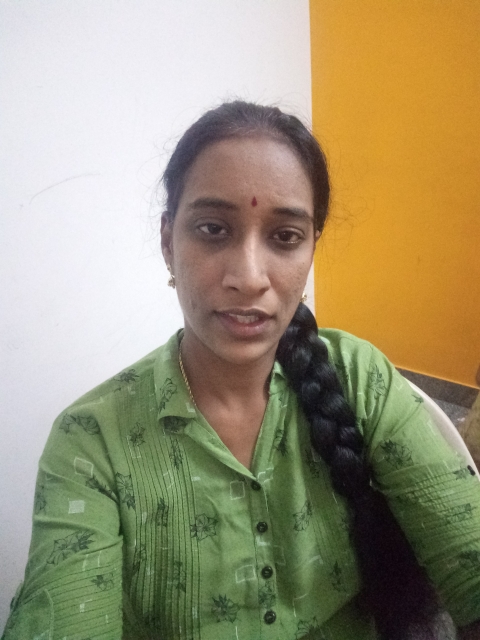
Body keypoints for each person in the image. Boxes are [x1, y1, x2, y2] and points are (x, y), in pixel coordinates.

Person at [3, 101, 480, 640]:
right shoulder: (92, 442)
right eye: (213, 229)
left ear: (311, 250)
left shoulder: (359, 378)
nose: (249, 277)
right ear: (168, 243)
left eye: (285, 237)